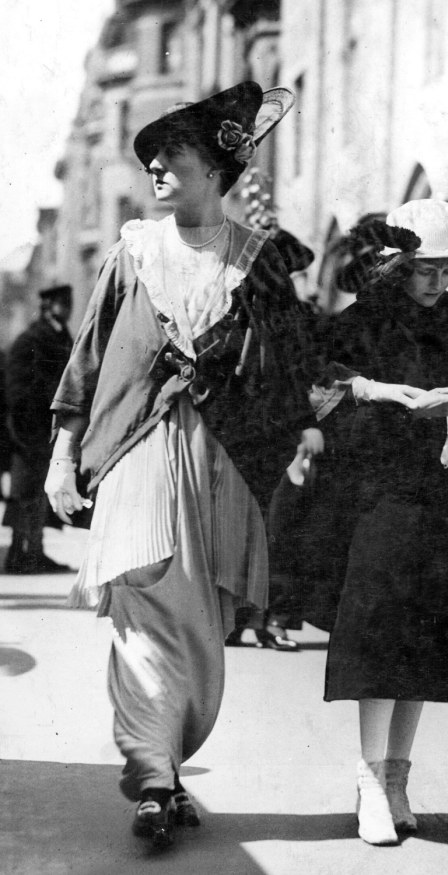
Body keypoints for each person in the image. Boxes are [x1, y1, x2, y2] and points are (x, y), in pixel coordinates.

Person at [44, 81, 322, 848]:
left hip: (222, 458)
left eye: (175, 155)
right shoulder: (133, 250)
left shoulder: (259, 262)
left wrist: (303, 432)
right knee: (141, 600)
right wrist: (63, 453)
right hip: (138, 445)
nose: (158, 168)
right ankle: (153, 771)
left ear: (215, 171)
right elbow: (88, 358)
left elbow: (295, 364)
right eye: (155, 157)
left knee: (203, 620)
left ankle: (167, 754)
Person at [315, 199, 448, 845]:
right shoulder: (364, 321)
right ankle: (370, 777)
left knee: (424, 641)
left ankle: (398, 777)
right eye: (425, 270)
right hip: (380, 497)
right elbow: (322, 391)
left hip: (444, 500)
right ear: (398, 265)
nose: (436, 284)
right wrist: (385, 396)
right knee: (380, 637)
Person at [225, 225, 317, 650]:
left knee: (279, 528)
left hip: (281, 433)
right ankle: (241, 618)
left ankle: (270, 618)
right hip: (246, 432)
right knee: (249, 528)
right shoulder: (237, 314)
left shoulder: (298, 318)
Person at [4, 284, 74, 573]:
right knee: (25, 494)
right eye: (62, 303)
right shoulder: (32, 338)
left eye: (68, 303)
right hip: (28, 429)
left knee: (38, 493)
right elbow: (17, 390)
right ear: (48, 306)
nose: (67, 308)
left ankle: (34, 552)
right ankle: (19, 554)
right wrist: (27, 427)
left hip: (45, 428)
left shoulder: (59, 335)